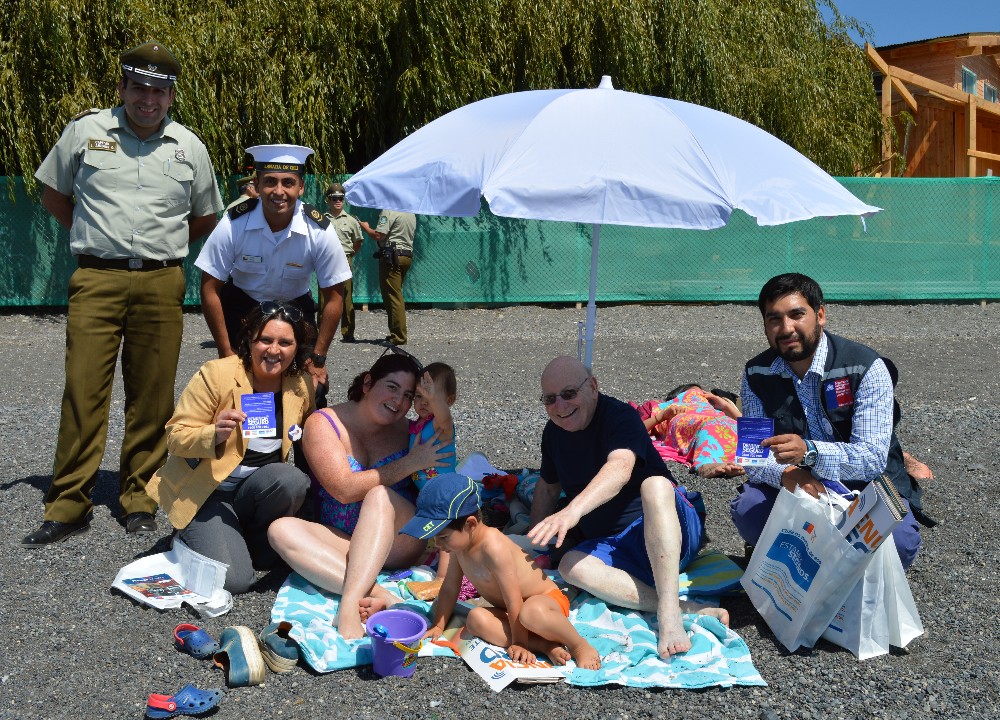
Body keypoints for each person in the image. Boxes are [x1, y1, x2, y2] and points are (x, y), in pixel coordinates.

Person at [23, 41, 223, 547]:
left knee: (152, 396)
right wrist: (95, 241)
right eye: (138, 88)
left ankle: (139, 497)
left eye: (158, 91)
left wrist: (163, 249)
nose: (147, 99)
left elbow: (204, 215)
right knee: (83, 393)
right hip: (96, 279)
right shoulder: (85, 132)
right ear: (122, 88)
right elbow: (53, 194)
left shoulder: (189, 147)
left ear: (171, 96)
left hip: (161, 281)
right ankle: (68, 503)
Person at [527, 357, 729, 659]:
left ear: (592, 387)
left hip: (668, 529)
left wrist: (572, 511)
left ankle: (669, 614)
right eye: (549, 399)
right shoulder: (552, 434)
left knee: (655, 484)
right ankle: (687, 608)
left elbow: (620, 467)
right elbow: (547, 488)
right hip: (616, 545)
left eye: (569, 394)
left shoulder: (619, 417)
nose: (560, 405)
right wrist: (535, 540)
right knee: (570, 565)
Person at [731, 273, 923, 569]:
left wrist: (809, 453)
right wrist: (786, 474)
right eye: (774, 319)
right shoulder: (756, 373)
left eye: (797, 315)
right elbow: (752, 456)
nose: (786, 328)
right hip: (798, 484)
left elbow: (872, 459)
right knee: (749, 512)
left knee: (900, 544)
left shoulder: (866, 367)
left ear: (820, 315)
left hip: (865, 485)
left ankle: (827, 564)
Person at [267, 348, 452, 638]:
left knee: (378, 494)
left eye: (408, 395)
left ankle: (349, 604)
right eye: (391, 387)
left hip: (398, 541)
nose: (398, 401)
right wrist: (410, 463)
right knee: (280, 530)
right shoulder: (324, 423)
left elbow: (443, 470)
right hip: (345, 541)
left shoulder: (412, 430)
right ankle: (378, 593)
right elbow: (342, 490)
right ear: (367, 383)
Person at [145, 303, 315, 593]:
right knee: (237, 581)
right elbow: (175, 436)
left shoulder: (300, 385)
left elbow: (308, 438)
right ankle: (186, 538)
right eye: (265, 340)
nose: (274, 350)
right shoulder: (217, 374)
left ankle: (239, 539)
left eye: (285, 342)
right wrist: (213, 434)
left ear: (297, 348)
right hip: (208, 492)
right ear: (249, 339)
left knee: (292, 481)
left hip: (254, 492)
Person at [392, 473, 602, 669]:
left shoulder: (494, 547)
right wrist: (438, 626)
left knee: (532, 613)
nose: (437, 544)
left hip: (546, 603)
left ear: (471, 524)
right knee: (475, 619)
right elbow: (449, 588)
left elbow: (513, 598)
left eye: (443, 537)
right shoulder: (459, 548)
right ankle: (543, 645)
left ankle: (578, 645)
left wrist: (519, 643)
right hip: (514, 614)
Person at [195, 145, 351, 405]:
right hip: (244, 308)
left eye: (288, 183)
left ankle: (305, 443)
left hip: (295, 310)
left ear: (301, 187)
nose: (279, 191)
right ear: (256, 185)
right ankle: (254, 445)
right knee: (240, 390)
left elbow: (335, 296)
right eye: (270, 182)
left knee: (311, 391)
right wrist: (225, 352)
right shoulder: (234, 223)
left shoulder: (319, 229)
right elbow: (209, 287)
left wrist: (319, 357)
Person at [637, 384, 745, 479]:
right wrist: (661, 416)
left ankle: (736, 463)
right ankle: (705, 465)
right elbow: (637, 431)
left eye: (703, 393)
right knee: (708, 426)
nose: (701, 394)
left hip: (719, 420)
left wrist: (727, 406)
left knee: (733, 427)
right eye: (695, 391)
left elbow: (750, 428)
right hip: (697, 421)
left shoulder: (714, 409)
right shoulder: (668, 407)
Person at [359, 209, 416, 346]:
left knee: (393, 297)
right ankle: (396, 332)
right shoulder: (411, 211)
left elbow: (379, 235)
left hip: (392, 257)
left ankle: (399, 336)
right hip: (406, 256)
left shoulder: (388, 211)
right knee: (396, 294)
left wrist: (365, 227)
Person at [323, 183, 363, 342]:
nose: (338, 201)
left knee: (346, 297)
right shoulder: (322, 219)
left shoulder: (351, 220)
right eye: (334, 198)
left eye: (340, 198)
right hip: (326, 259)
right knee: (325, 297)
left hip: (345, 258)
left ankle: (348, 332)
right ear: (328, 200)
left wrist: (349, 254)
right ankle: (322, 331)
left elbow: (358, 241)